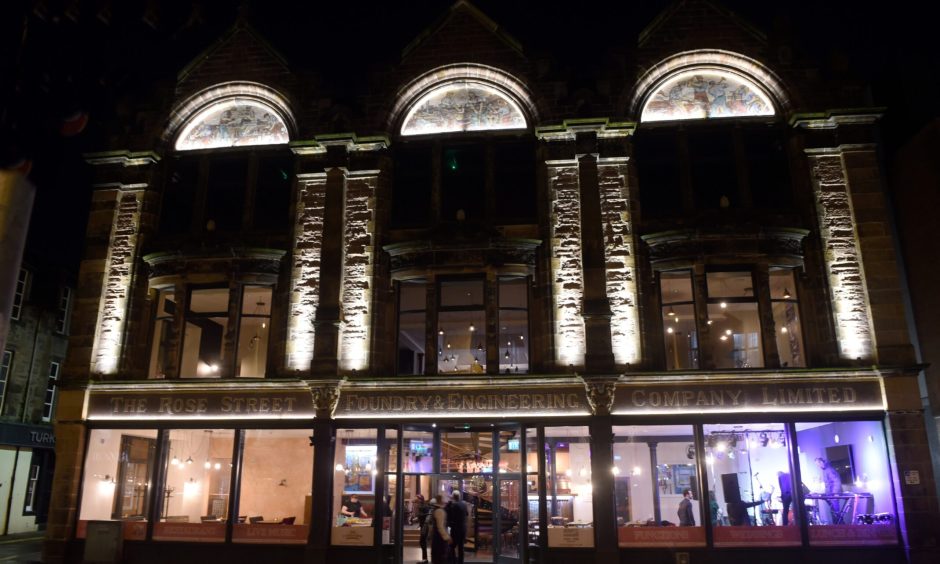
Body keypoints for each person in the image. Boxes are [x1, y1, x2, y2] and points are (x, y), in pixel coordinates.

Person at [815, 457, 843, 523]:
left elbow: (836, 481)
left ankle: (840, 526)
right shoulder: (825, 470)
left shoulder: (829, 470)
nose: (818, 466)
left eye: (818, 464)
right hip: (830, 494)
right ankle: (838, 526)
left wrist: (835, 494)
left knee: (836, 513)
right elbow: (828, 483)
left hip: (833, 495)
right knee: (834, 512)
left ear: (821, 462)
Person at [446, 491, 469, 564]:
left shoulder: (453, 505)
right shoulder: (464, 504)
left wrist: (448, 506)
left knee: (452, 546)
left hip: (455, 529)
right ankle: (460, 562)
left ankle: (453, 561)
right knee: (461, 547)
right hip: (463, 528)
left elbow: (449, 515)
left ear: (453, 496)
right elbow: (467, 514)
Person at [429, 494, 452, 564]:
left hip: (436, 537)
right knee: (440, 558)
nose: (445, 501)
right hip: (439, 539)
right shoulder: (440, 511)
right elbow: (441, 527)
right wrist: (447, 537)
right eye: (443, 499)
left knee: (437, 558)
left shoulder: (436, 509)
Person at [415, 494, 431, 564]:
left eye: (418, 498)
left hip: (425, 526)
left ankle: (425, 559)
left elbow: (427, 516)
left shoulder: (424, 506)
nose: (417, 500)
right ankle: (424, 559)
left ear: (421, 499)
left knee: (422, 542)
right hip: (423, 526)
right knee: (422, 542)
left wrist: (419, 516)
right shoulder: (420, 506)